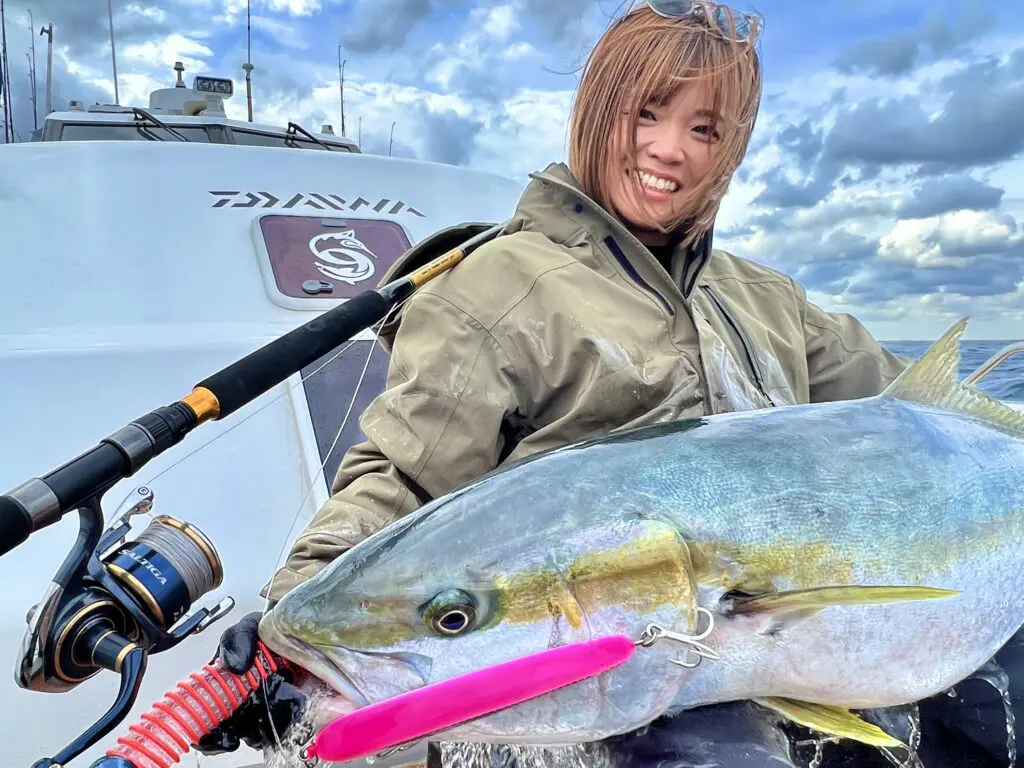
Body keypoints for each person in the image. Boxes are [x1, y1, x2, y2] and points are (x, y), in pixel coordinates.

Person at [195, 1, 1018, 765]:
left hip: (785, 651)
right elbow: (403, 473)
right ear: (597, 113)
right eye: (646, 113)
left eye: (704, 128)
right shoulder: (499, 287)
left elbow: (911, 420)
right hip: (621, 694)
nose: (669, 149)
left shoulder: (763, 297)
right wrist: (294, 622)